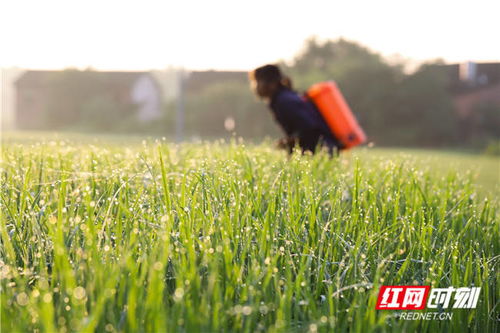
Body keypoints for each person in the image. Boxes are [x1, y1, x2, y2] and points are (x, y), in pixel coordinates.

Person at [249, 64, 343, 156]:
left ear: (271, 83)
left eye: (257, 82)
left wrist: (289, 142)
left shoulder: (283, 101)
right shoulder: (285, 97)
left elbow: (309, 128)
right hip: (324, 148)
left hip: (323, 150)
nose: (255, 87)